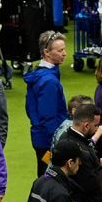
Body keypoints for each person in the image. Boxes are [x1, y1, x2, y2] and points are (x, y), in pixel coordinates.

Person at [24, 31, 71, 169]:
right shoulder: (49, 81)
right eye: (60, 50)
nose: (65, 53)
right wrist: (57, 142)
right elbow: (48, 116)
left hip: (41, 138)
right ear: (47, 52)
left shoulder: (41, 75)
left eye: (64, 49)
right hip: (48, 141)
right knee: (49, 175)